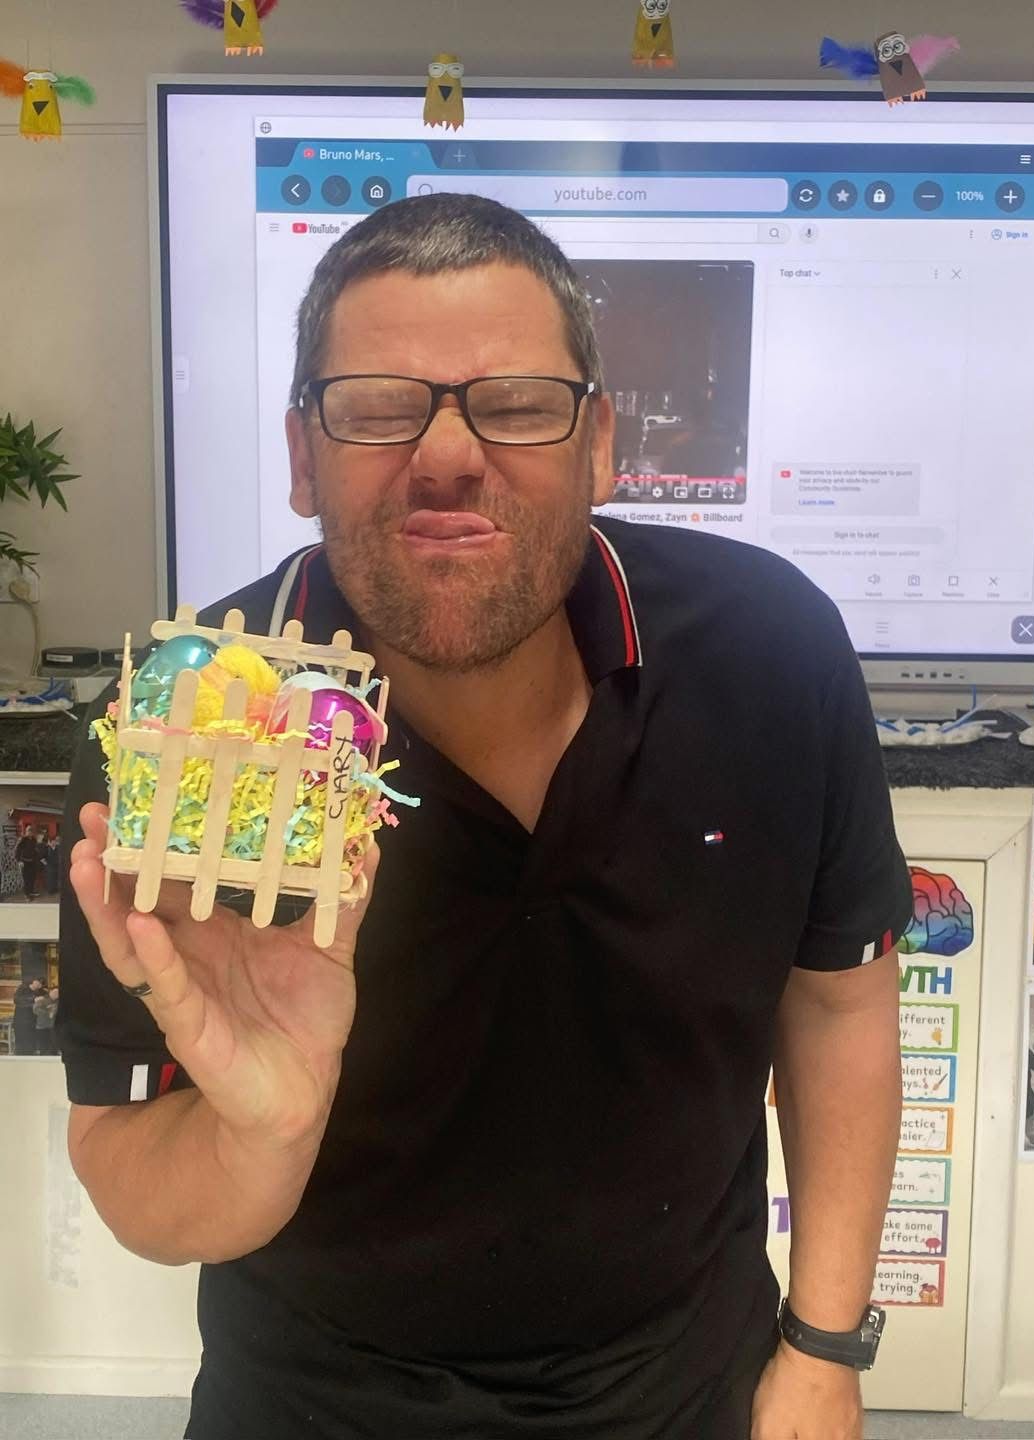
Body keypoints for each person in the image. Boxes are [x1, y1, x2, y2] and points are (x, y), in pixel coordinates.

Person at [58, 194, 911, 1440]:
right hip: (314, 1403)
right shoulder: (178, 741)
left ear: (601, 443)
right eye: (375, 408)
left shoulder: (771, 655)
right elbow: (127, 1167)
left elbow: (839, 1004)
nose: (448, 455)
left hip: (691, 1387)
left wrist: (825, 1348)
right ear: (301, 457)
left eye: (515, 405)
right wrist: (264, 1131)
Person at [12, 976, 43, 1057]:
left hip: (32, 1021)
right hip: (21, 1020)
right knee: (21, 1041)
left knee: (31, 1041)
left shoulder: (38, 992)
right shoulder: (23, 988)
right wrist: (33, 1000)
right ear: (34, 981)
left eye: (41, 985)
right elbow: (17, 1000)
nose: (39, 986)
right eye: (39, 983)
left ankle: (30, 1055)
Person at [14, 826, 40, 901]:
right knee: (26, 879)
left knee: (32, 878)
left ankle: (31, 892)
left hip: (32, 862)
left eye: (31, 831)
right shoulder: (23, 839)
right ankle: (27, 895)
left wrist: (37, 858)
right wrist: (19, 861)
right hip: (24, 862)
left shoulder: (34, 840)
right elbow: (17, 850)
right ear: (26, 832)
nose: (30, 832)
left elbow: (35, 849)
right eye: (28, 831)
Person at [33, 985, 59, 1055]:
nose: (56, 994)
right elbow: (35, 1010)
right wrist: (48, 1013)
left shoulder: (58, 1002)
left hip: (53, 1027)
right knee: (43, 1047)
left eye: (58, 993)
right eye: (54, 992)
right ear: (50, 991)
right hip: (42, 1026)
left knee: (54, 1047)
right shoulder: (42, 999)